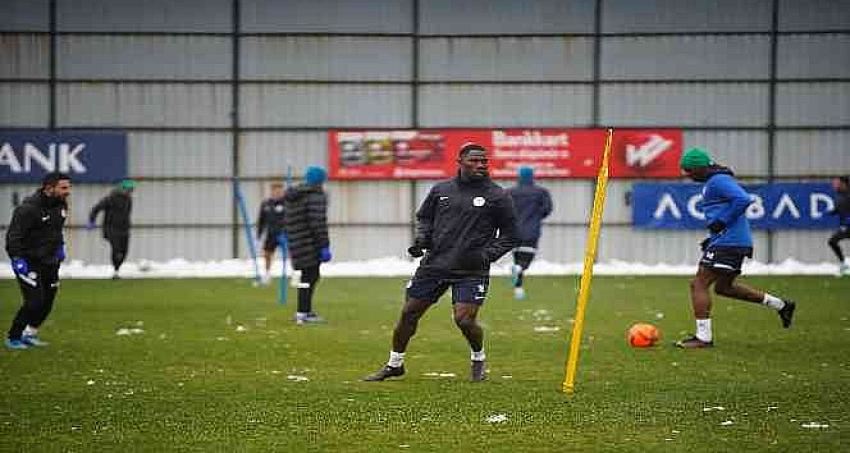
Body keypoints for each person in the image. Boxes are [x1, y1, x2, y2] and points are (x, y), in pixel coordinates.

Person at [364, 143, 517, 382]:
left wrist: (487, 255)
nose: (480, 165)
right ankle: (395, 364)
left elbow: (511, 234)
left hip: (471, 270)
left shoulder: (497, 195)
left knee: (464, 320)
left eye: (483, 161)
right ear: (460, 163)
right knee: (408, 313)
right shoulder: (441, 190)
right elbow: (425, 218)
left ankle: (478, 357)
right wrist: (422, 239)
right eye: (474, 161)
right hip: (434, 265)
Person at [676, 148, 796, 349]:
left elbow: (743, 199)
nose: (686, 175)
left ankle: (703, 338)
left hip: (729, 242)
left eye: (688, 170)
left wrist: (721, 222)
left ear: (700, 167)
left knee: (698, 284)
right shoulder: (713, 181)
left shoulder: (718, 181)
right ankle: (781, 305)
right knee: (724, 288)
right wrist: (712, 238)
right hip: (728, 241)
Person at [5, 172, 72, 349]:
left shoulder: (61, 205)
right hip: (29, 262)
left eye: (68, 187)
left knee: (48, 301)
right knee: (34, 301)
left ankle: (30, 333)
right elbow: (13, 237)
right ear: (49, 188)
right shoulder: (27, 209)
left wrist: (60, 247)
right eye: (63, 188)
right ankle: (13, 337)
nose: (68, 191)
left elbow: (57, 231)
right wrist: (17, 259)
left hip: (50, 262)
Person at [283, 166, 331, 325]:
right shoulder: (316, 195)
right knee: (311, 276)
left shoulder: (294, 195)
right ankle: (303, 313)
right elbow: (317, 222)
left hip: (296, 241)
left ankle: (303, 311)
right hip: (309, 242)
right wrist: (324, 245)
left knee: (307, 276)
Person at [507, 166, 553, 300]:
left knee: (517, 260)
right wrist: (536, 217)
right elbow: (547, 209)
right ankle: (520, 272)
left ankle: (518, 290)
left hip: (513, 231)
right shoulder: (541, 192)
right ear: (532, 176)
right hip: (531, 231)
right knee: (525, 261)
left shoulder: (510, 192)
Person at [87, 179, 135, 279]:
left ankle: (117, 269)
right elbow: (96, 209)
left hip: (124, 229)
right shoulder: (110, 198)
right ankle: (115, 271)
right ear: (122, 189)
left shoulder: (129, 200)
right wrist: (92, 221)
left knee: (124, 252)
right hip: (111, 229)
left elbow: (127, 214)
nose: (130, 192)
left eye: (131, 190)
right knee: (116, 250)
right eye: (129, 190)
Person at [256, 182, 287, 284]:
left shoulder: (287, 203)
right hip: (271, 234)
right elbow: (261, 221)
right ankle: (267, 274)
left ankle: (295, 274)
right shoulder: (266, 204)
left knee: (292, 254)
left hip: (285, 234)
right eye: (275, 191)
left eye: (280, 191)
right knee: (267, 254)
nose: (277, 193)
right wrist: (259, 235)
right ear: (272, 191)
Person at [826, 176, 850, 276]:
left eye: (837, 183)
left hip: (847, 226)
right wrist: (831, 212)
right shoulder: (840, 196)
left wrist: (847, 223)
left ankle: (844, 265)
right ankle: (844, 264)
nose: (834, 185)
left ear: (843, 184)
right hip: (845, 227)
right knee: (832, 241)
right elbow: (840, 209)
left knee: (832, 241)